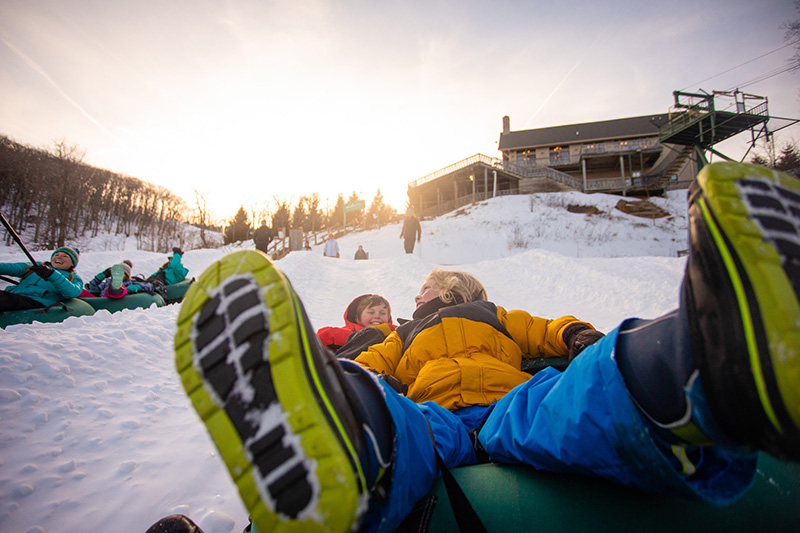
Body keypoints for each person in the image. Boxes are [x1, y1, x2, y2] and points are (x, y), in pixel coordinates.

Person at [173, 162, 800, 533]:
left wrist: (576, 335)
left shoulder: (494, 315)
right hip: (439, 414)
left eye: (425, 287)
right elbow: (376, 362)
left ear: (452, 287)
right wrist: (354, 375)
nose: (417, 296)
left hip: (508, 402)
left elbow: (543, 330)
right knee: (405, 426)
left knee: (568, 399)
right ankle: (344, 440)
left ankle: (704, 358)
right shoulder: (404, 334)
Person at [0, 247, 83, 311]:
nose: (59, 257)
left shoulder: (75, 278)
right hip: (15, 296)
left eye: (65, 256)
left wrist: (51, 274)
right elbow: (12, 268)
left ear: (72, 264)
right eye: (56, 255)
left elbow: (73, 292)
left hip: (37, 301)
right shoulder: (37, 266)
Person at [316, 294, 395, 353]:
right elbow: (322, 336)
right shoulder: (349, 333)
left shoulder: (394, 333)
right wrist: (356, 338)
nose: (377, 316)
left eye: (382, 313)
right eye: (371, 312)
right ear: (357, 318)